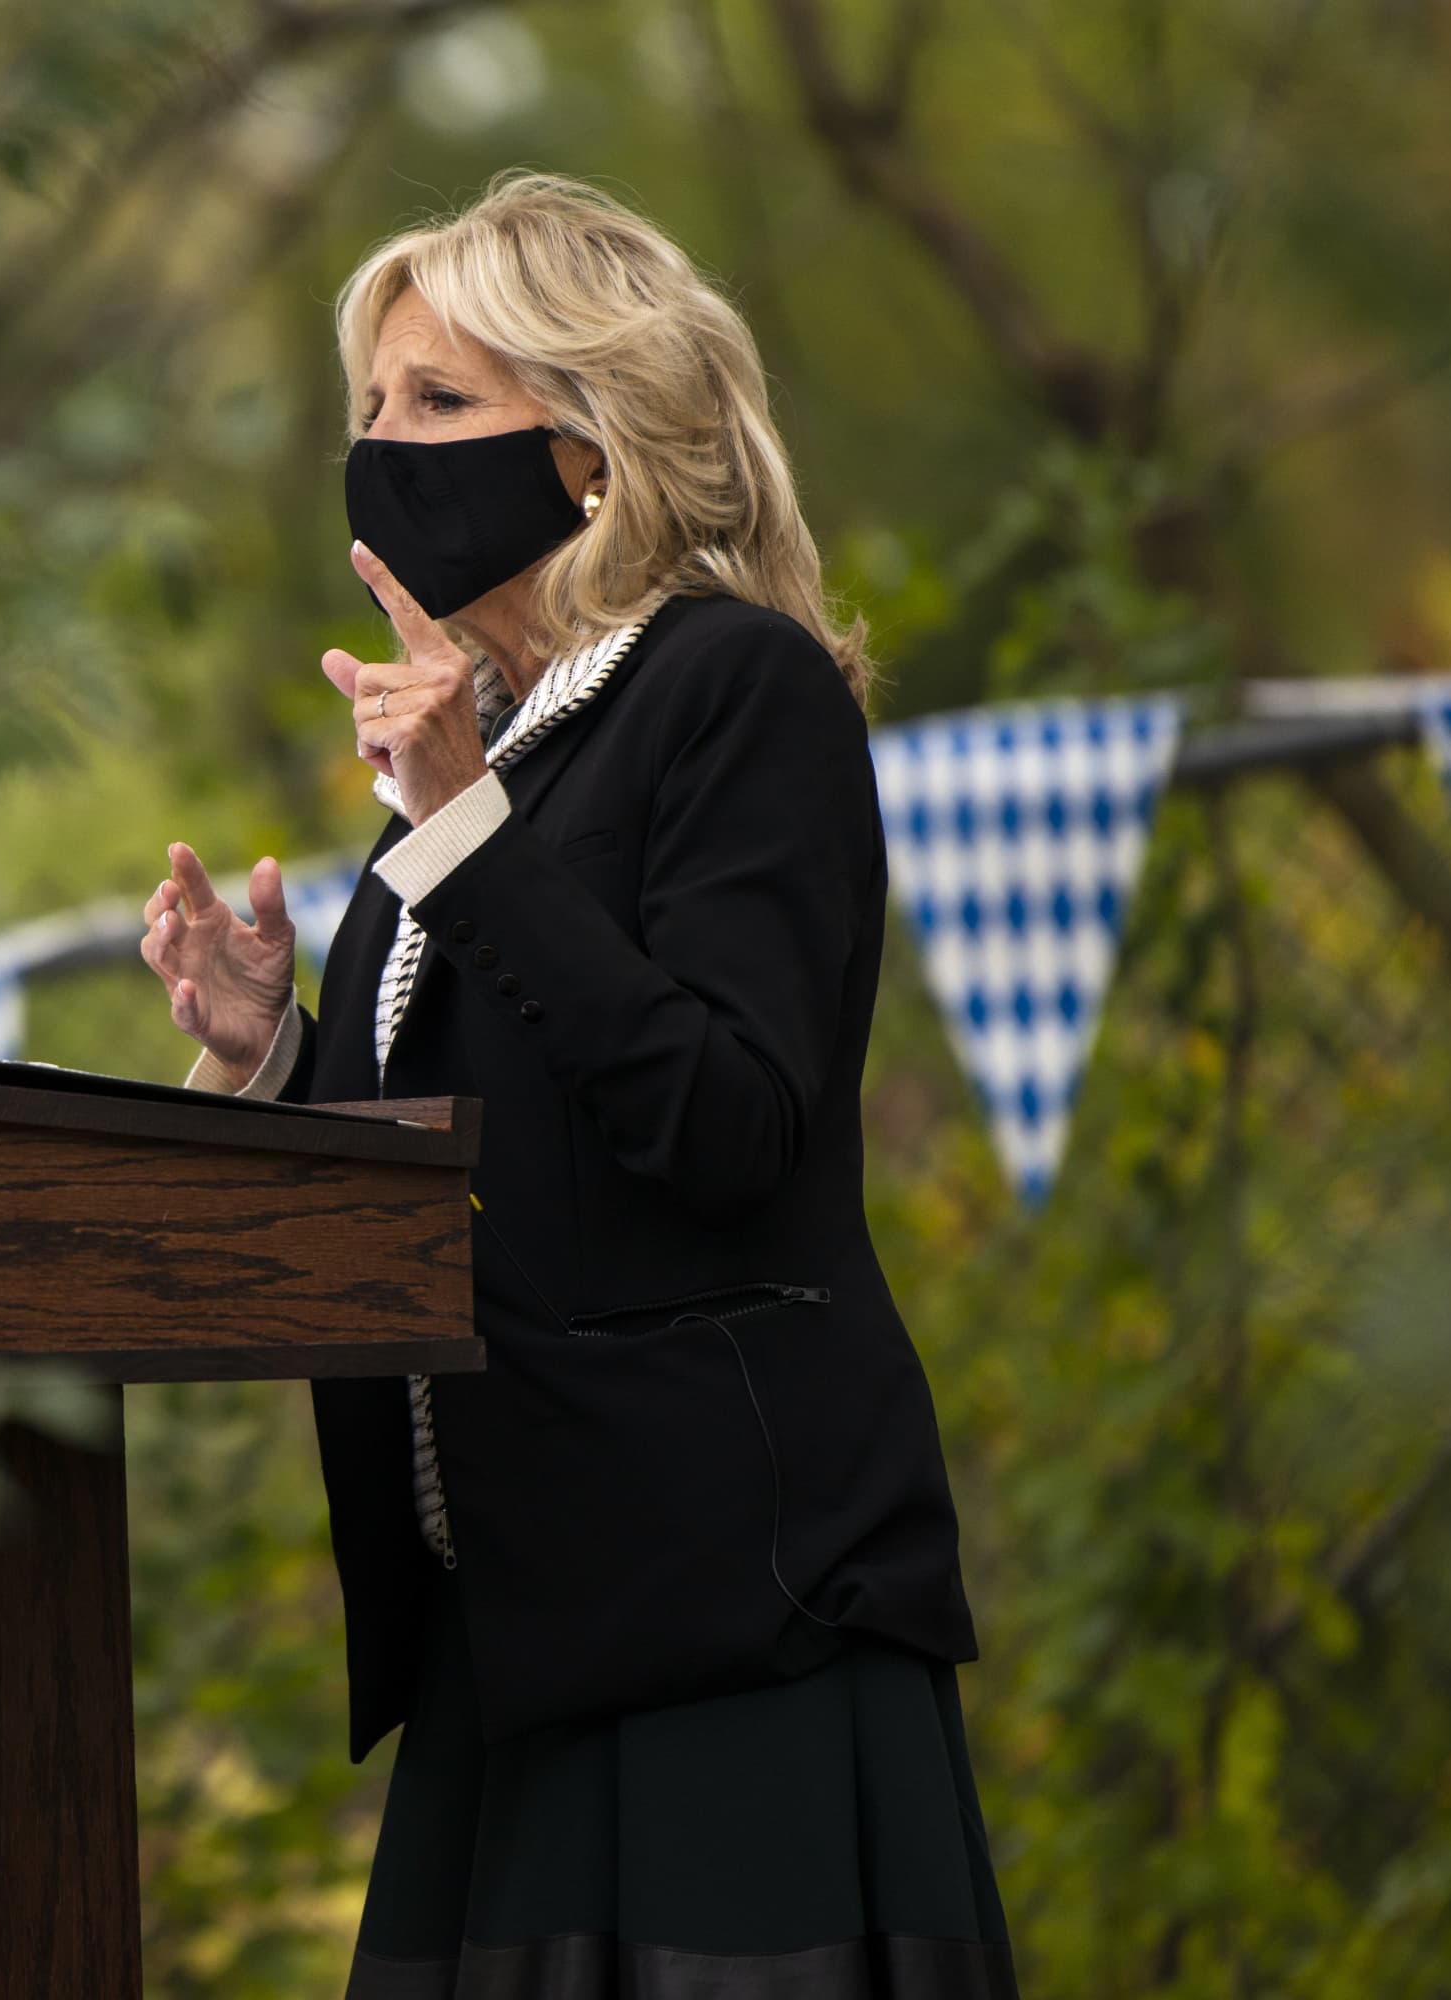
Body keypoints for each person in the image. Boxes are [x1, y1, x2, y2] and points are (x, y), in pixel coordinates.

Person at [138, 171, 1020, 2000]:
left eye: (439, 403)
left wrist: (460, 828)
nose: (381, 449)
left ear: (594, 445)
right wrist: (271, 1050)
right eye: (371, 407)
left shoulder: (732, 693)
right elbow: (454, 1200)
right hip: (518, 1641)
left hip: (728, 1631)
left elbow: (720, 1119)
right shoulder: (474, 790)